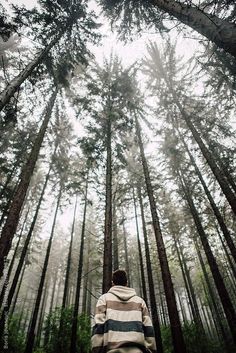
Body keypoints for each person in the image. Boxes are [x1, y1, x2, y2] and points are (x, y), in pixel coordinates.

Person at [91, 269, 157, 353]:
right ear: (126, 283)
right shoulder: (140, 302)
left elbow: (98, 328)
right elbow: (149, 330)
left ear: (112, 283)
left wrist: (97, 351)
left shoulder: (104, 299)